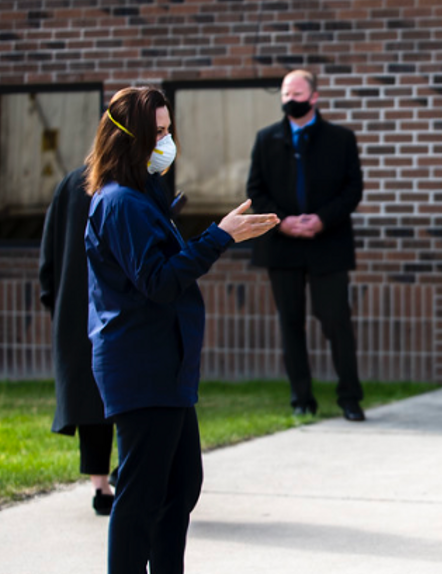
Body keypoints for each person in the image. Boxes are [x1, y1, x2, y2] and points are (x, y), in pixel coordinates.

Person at [85, 86, 279, 574]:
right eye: (157, 133)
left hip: (166, 368)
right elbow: (159, 282)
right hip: (142, 366)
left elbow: (163, 265)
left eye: (169, 130)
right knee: (143, 497)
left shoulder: (143, 198)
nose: (167, 142)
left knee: (180, 488)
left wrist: (219, 234)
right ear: (128, 139)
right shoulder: (122, 203)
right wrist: (220, 237)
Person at [247, 69, 367, 421]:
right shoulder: (266, 139)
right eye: (286, 93)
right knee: (291, 323)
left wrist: (322, 219)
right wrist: (282, 221)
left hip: (327, 243)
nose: (291, 100)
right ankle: (301, 398)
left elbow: (352, 189)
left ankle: (349, 397)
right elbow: (256, 191)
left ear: (313, 97)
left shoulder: (340, 139)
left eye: (298, 93)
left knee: (336, 321)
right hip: (282, 246)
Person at [40, 164, 116, 516]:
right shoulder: (129, 183)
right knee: (128, 396)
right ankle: (123, 477)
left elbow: (49, 252)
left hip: (75, 305)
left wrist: (54, 299)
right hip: (114, 306)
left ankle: (100, 485)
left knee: (90, 398)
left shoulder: (71, 182)